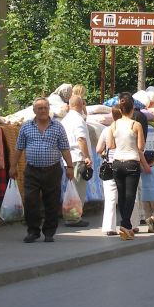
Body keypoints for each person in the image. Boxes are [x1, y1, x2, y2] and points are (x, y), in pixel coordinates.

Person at [10, 97, 74, 244]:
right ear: (34, 111)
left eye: (45, 108)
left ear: (48, 109)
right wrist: (13, 167)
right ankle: (33, 231)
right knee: (31, 201)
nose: (43, 110)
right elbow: (18, 148)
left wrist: (69, 167)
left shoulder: (57, 126)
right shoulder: (26, 127)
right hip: (32, 170)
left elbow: (65, 148)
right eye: (40, 108)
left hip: (52, 170)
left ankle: (49, 232)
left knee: (51, 202)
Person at [106, 92, 150, 240]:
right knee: (131, 195)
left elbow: (111, 145)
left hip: (117, 162)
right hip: (132, 161)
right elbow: (141, 147)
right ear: (132, 109)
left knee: (122, 195)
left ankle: (126, 226)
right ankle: (125, 225)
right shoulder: (136, 124)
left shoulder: (113, 125)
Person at [60, 95, 92, 228]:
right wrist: (87, 157)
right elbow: (81, 139)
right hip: (78, 158)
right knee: (78, 190)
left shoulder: (65, 120)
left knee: (71, 189)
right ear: (81, 104)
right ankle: (74, 218)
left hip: (67, 158)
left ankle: (70, 216)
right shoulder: (78, 120)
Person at [96, 106, 123, 235]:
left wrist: (104, 155)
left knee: (110, 198)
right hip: (126, 164)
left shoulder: (106, 130)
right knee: (129, 197)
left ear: (112, 115)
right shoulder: (130, 128)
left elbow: (98, 149)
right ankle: (132, 224)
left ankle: (109, 227)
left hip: (111, 166)